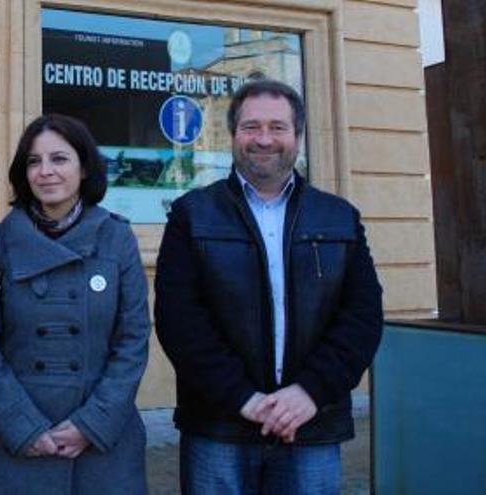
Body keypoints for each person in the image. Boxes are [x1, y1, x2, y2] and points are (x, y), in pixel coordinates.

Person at [155, 78, 383, 494]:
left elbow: (361, 319)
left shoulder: (340, 217)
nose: (264, 139)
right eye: (251, 127)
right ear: (234, 135)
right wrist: (246, 400)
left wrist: (309, 392)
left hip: (312, 424)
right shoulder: (191, 214)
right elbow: (180, 321)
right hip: (219, 426)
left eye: (277, 127)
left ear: (297, 136)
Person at [0, 114, 151, 494]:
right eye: (34, 161)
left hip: (101, 447)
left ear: (84, 168)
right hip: (12, 444)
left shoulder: (117, 238)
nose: (45, 172)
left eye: (59, 159)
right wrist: (22, 426)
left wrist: (91, 425)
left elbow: (132, 341)